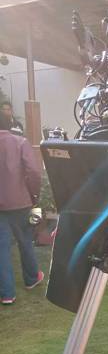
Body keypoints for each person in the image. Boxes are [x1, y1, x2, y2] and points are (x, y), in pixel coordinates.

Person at [0, 112, 44, 305]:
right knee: (25, 241)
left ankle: (7, 294)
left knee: (1, 249)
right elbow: (34, 172)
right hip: (20, 201)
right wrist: (34, 195)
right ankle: (32, 278)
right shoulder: (20, 142)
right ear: (9, 123)